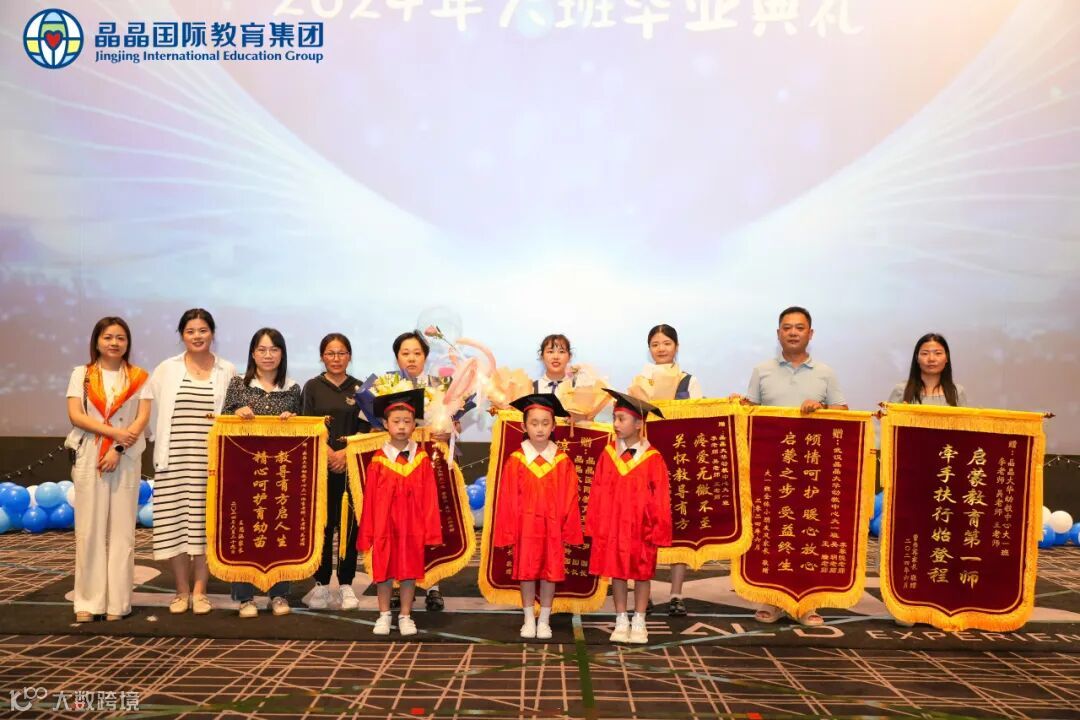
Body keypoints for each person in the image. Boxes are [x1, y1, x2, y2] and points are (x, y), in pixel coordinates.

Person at [737, 306, 848, 627]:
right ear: (778, 334)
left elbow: (844, 413)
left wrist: (823, 408)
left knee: (809, 534)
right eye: (787, 327)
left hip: (813, 470)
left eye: (800, 327)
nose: (793, 332)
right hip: (772, 470)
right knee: (771, 534)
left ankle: (806, 604)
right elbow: (749, 412)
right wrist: (737, 405)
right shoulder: (762, 370)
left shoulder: (825, 372)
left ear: (810, 334)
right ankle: (772, 600)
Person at [149, 309, 236, 616]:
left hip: (210, 463)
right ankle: (180, 591)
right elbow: (152, 411)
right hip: (174, 460)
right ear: (182, 335)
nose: (197, 336)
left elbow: (231, 415)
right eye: (190, 331)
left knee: (203, 528)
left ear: (212, 333)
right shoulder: (167, 369)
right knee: (175, 526)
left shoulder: (227, 370)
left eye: (203, 330)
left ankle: (200, 591)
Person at [65, 317, 152, 622]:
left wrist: (118, 447)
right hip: (90, 454)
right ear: (97, 341)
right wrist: (113, 433)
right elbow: (76, 415)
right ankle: (88, 602)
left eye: (120, 338)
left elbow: (142, 418)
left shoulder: (140, 377)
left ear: (128, 343)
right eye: (108, 337)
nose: (114, 343)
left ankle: (118, 603)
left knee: (123, 532)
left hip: (125, 457)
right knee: (89, 530)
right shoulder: (82, 375)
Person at [222, 328, 301, 618]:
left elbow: (303, 431)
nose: (268, 355)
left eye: (274, 349)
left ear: (282, 353)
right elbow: (223, 423)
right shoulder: (238, 384)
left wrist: (294, 420)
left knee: (280, 529)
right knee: (245, 531)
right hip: (244, 473)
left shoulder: (293, 388)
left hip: (281, 475)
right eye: (262, 349)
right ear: (253, 353)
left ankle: (279, 594)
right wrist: (236, 414)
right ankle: (245, 597)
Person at [493, 393, 584, 641]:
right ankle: (528, 618)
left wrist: (566, 528)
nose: (540, 428)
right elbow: (508, 498)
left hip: (552, 528)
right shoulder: (516, 460)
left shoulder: (562, 461)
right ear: (524, 426)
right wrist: (509, 530)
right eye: (534, 423)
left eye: (545, 423)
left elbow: (570, 497)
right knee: (526, 572)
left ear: (554, 426)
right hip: (526, 528)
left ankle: (544, 619)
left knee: (550, 572)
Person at [585, 390, 671, 644]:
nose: (615, 424)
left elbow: (661, 497)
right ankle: (621, 618)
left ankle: (640, 619)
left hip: (642, 528)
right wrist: (596, 526)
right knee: (617, 574)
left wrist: (658, 530)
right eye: (614, 418)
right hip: (613, 527)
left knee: (642, 575)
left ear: (638, 424)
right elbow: (597, 491)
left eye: (621, 419)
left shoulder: (653, 457)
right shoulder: (608, 454)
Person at [357, 389, 442, 636]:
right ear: (386, 424)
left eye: (407, 421)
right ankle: (384, 614)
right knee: (383, 571)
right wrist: (368, 533)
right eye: (396, 421)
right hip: (385, 527)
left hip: (412, 527)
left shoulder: (421, 460)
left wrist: (429, 530)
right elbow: (370, 501)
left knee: (409, 572)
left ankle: (405, 615)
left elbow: (429, 498)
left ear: (415, 425)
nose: (402, 426)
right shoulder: (378, 461)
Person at [636, 324, 701, 616]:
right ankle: (644, 592)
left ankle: (676, 594)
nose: (661, 349)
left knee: (680, 527)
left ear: (676, 346)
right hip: (647, 463)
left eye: (666, 343)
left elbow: (700, 419)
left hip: (680, 463)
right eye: (655, 344)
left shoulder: (690, 381)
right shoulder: (640, 382)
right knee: (644, 527)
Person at [302, 333, 369, 611]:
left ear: (349, 356)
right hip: (322, 467)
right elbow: (307, 424)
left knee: (350, 527)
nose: (336, 358)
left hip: (351, 467)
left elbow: (366, 429)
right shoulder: (312, 387)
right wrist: (329, 453)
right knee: (323, 525)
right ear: (322, 357)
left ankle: (345, 584)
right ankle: (320, 584)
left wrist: (345, 453)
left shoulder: (361, 389)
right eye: (330, 353)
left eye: (341, 353)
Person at [888, 333, 967, 407]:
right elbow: (887, 417)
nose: (931, 359)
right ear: (917, 358)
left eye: (938, 353)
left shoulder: (957, 392)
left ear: (947, 358)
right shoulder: (901, 390)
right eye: (925, 353)